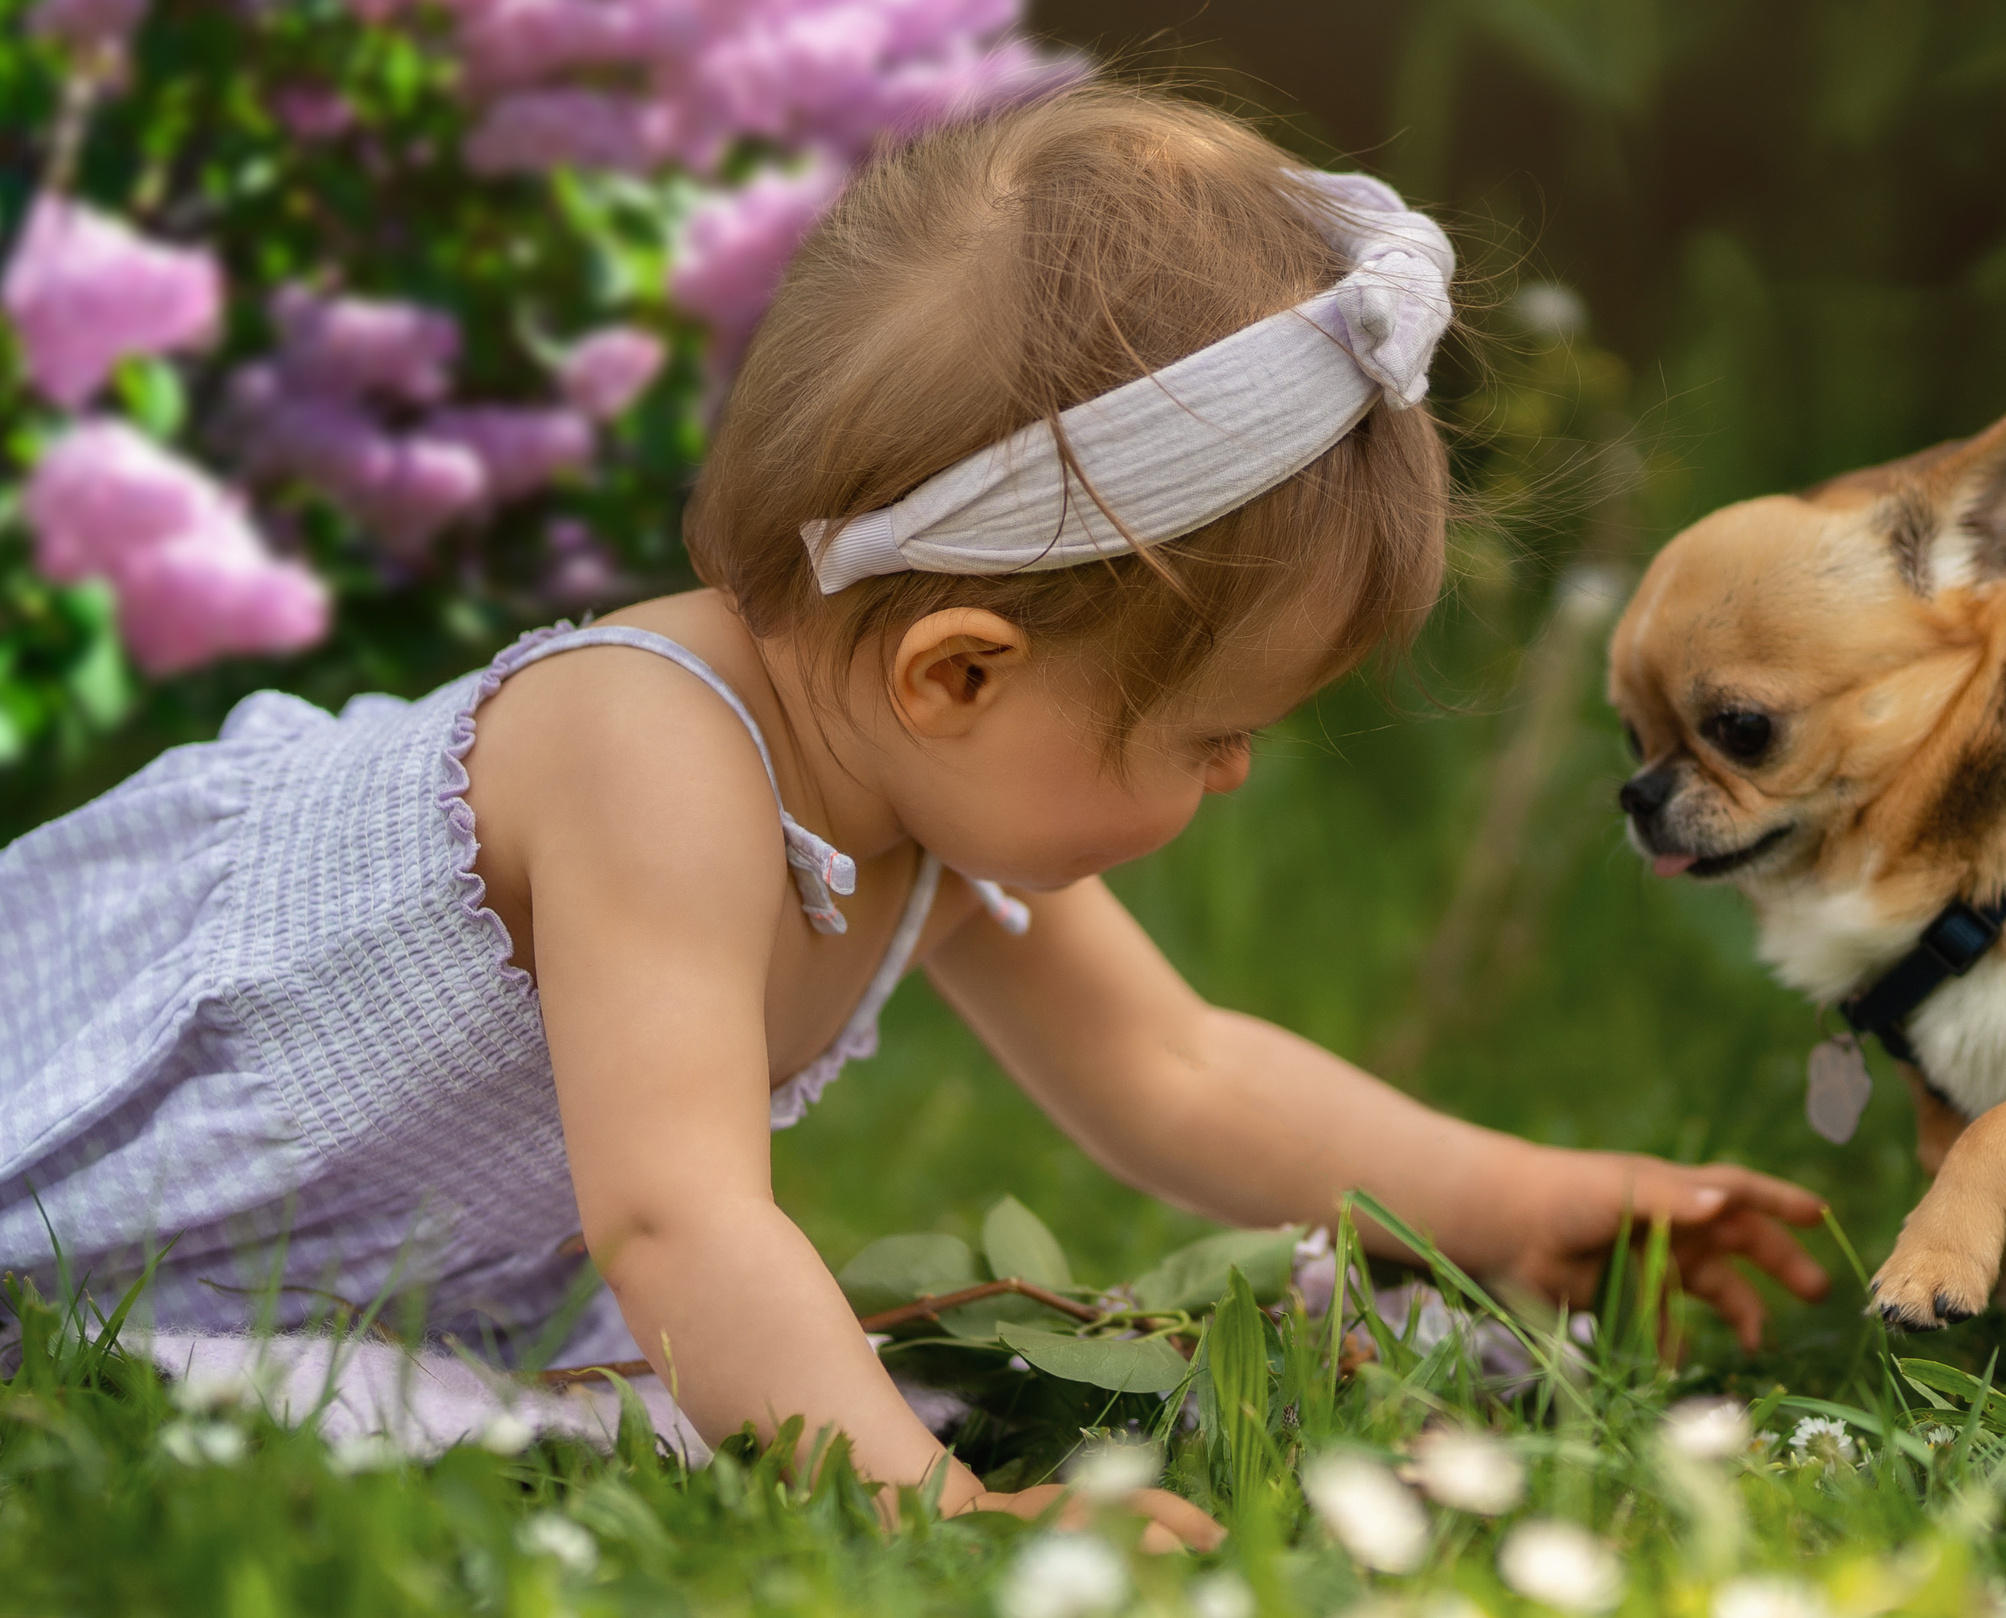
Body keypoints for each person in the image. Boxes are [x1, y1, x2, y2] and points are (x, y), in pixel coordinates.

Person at [0, 86, 1828, 1546]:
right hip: (86, 1202)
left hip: (359, 1280)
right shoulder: (648, 752)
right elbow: (682, 1223)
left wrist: (1525, 1201)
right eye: (1207, 735)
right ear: (956, 670)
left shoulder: (915, 794)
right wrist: (924, 1506)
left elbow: (1179, 1070)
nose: (1234, 776)